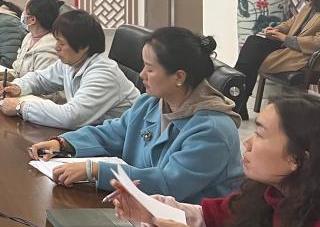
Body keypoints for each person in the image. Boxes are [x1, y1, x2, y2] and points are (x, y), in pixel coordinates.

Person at [109, 94, 320, 227]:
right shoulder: (269, 194)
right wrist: (154, 211)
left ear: (297, 159)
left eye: (260, 134)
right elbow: (212, 219)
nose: (247, 142)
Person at [28, 27, 243, 202]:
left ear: (179, 77)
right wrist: (63, 143)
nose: (141, 75)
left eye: (150, 69)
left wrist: (96, 170)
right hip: (143, 208)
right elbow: (113, 133)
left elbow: (168, 184)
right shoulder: (150, 103)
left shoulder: (212, 129)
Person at [0, 9, 139, 129]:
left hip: (124, 143)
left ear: (84, 47)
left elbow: (71, 117)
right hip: (92, 134)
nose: (56, 47)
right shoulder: (72, 62)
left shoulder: (103, 74)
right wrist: (18, 86)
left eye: (62, 43)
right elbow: (40, 79)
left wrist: (20, 107)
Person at [235, 0, 320, 108]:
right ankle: (239, 96)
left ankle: (237, 95)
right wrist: (277, 30)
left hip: (304, 55)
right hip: (288, 46)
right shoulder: (310, 6)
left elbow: (317, 43)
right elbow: (292, 22)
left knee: (252, 57)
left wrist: (285, 38)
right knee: (253, 41)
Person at [12, 0, 61, 77]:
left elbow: (42, 82)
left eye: (25, 11)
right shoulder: (28, 37)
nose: (22, 13)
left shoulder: (49, 50)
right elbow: (17, 68)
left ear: (33, 19)